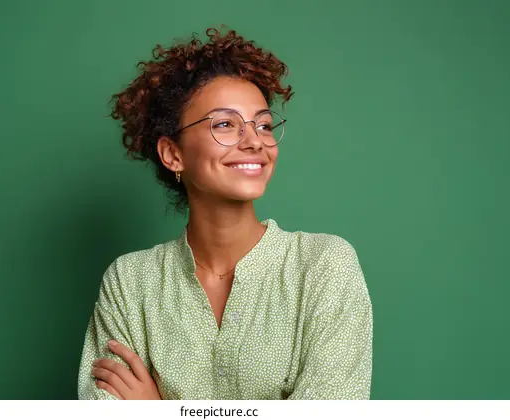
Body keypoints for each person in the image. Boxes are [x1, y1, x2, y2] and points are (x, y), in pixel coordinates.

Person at [77, 27, 373, 400]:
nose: (254, 141)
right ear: (173, 154)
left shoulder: (324, 266)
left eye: (263, 125)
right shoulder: (130, 283)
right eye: (224, 125)